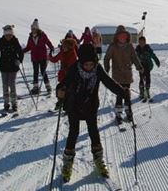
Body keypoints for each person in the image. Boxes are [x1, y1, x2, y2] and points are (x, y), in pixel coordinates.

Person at [57, 44, 129, 181]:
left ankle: (98, 160)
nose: (89, 67)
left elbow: (109, 82)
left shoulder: (97, 69)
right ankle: (67, 163)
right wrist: (60, 89)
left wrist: (122, 91)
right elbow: (64, 83)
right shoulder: (74, 69)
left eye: (91, 64)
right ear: (81, 62)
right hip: (74, 106)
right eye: (86, 64)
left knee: (93, 132)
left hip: (90, 106)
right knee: (74, 131)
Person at [103, 25, 144, 124]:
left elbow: (134, 58)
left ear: (127, 36)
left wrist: (139, 66)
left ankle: (129, 113)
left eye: (124, 36)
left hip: (127, 75)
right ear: (117, 36)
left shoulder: (129, 46)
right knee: (119, 95)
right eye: (120, 36)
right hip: (117, 75)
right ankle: (118, 114)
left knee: (127, 95)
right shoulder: (113, 46)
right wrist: (107, 68)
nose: (122, 38)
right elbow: (107, 58)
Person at [0, 24, 24, 112]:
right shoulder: (1, 41)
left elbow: (21, 52)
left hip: (13, 67)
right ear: (4, 35)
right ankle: (6, 103)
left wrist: (19, 60)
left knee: (12, 85)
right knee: (5, 85)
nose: (8, 37)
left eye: (10, 35)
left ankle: (14, 103)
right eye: (6, 35)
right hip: (4, 67)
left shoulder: (15, 41)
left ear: (12, 35)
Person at [23, 19, 54, 94]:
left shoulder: (42, 35)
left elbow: (48, 42)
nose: (33, 30)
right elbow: (28, 47)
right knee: (35, 72)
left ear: (37, 28)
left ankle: (48, 86)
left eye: (34, 28)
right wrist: (22, 51)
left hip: (42, 57)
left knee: (43, 71)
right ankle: (35, 87)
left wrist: (51, 47)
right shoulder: (30, 37)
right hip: (34, 57)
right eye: (32, 29)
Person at [49, 37, 79, 110]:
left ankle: (67, 106)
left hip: (70, 76)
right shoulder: (62, 52)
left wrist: (66, 67)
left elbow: (73, 67)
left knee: (68, 90)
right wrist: (49, 56)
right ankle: (60, 102)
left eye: (64, 46)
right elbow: (55, 59)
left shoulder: (73, 54)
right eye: (63, 46)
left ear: (69, 46)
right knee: (59, 88)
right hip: (63, 75)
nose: (63, 47)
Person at [135, 35, 160, 102]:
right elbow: (133, 58)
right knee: (141, 78)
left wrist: (157, 61)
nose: (141, 44)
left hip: (148, 66)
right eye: (140, 42)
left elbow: (153, 55)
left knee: (148, 77)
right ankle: (142, 92)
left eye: (143, 42)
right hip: (140, 66)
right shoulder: (137, 50)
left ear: (145, 42)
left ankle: (147, 91)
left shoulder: (148, 49)